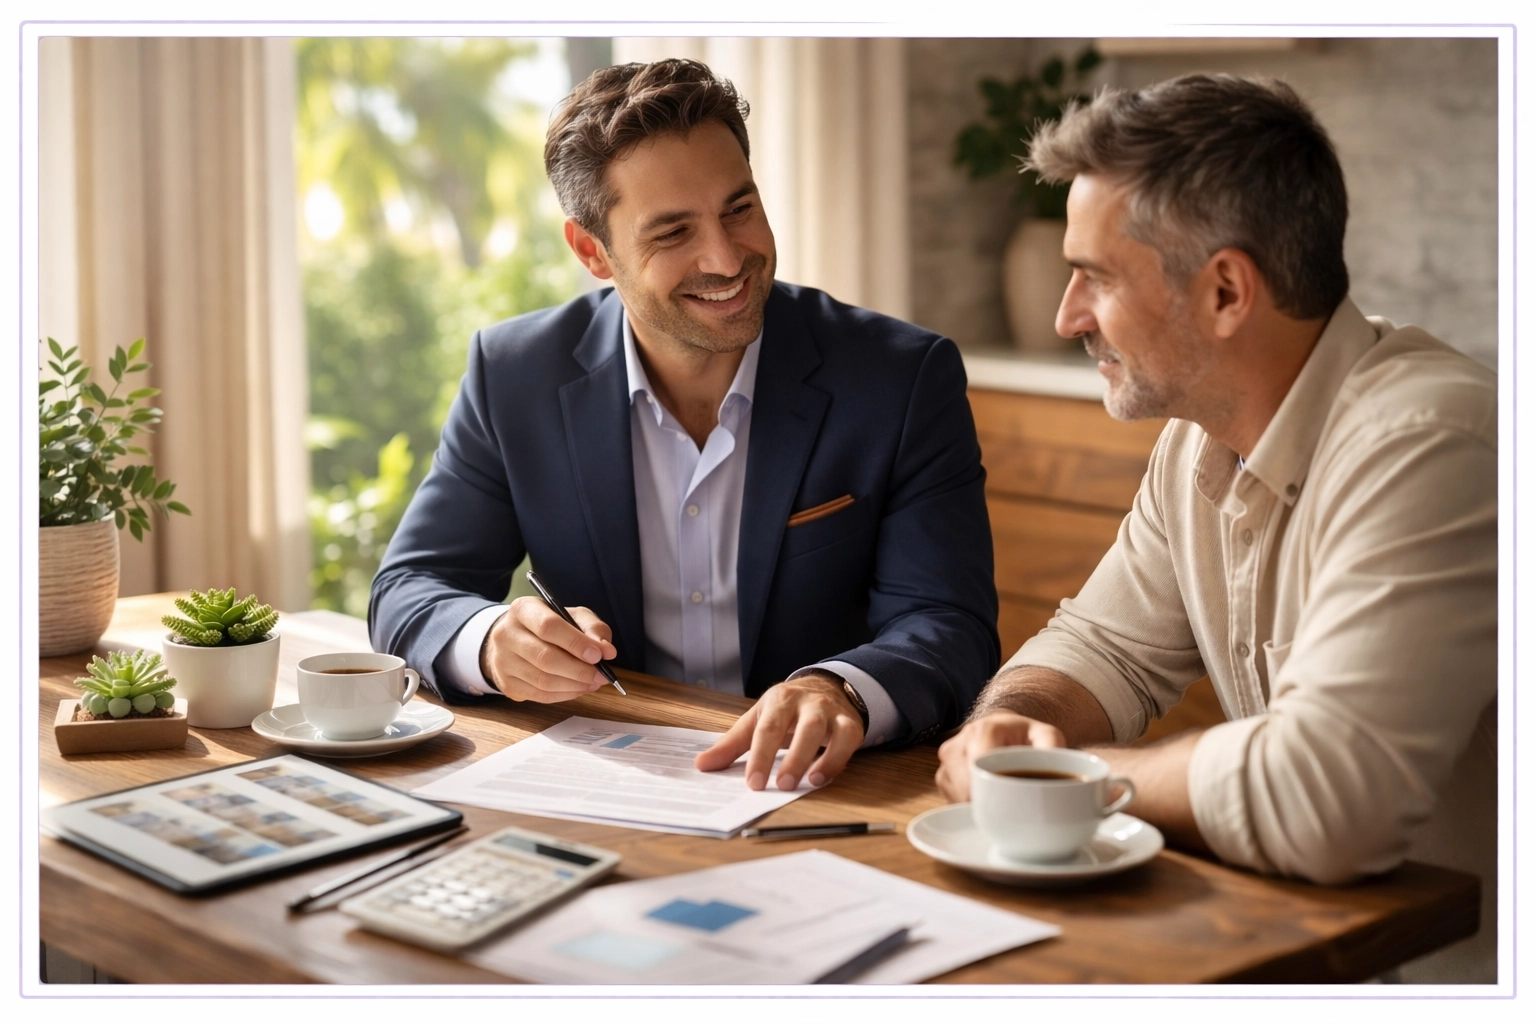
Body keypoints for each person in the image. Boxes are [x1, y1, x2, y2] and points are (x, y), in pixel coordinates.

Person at [934, 74, 1496, 981]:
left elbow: (1326, 798)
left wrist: (1069, 781)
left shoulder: (1430, 445)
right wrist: (1011, 725)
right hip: (1304, 955)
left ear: (1227, 291)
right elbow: (1103, 649)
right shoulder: (1200, 441)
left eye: (1095, 276)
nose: (1065, 315)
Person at [370, 58, 999, 793]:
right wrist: (489, 642)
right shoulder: (516, 374)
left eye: (740, 209)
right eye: (673, 232)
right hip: (606, 781)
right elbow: (410, 587)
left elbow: (950, 625)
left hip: (827, 789)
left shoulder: (901, 376)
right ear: (592, 252)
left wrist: (843, 690)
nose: (727, 258)